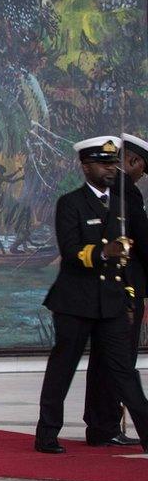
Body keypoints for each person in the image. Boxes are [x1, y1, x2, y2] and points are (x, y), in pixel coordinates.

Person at [35, 136, 148, 454]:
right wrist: (103, 251)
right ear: (86, 167)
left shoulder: (121, 205)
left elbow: (126, 260)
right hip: (75, 301)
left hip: (110, 302)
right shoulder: (70, 204)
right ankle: (46, 433)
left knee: (124, 370)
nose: (111, 169)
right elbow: (71, 253)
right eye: (103, 163)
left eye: (114, 162)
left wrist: (128, 298)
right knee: (63, 368)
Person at [83, 132, 148, 447]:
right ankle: (107, 425)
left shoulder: (103, 188)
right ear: (133, 162)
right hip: (126, 287)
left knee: (103, 356)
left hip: (103, 286)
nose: (140, 176)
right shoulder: (128, 192)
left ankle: (99, 424)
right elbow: (143, 243)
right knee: (120, 358)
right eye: (142, 169)